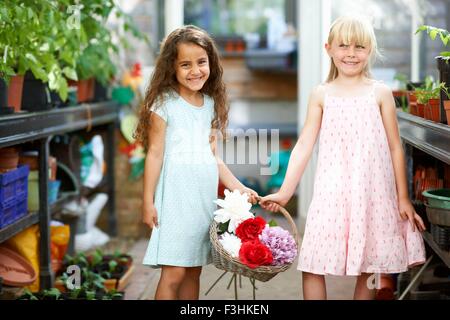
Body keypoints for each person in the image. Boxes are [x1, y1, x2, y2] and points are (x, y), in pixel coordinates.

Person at [260, 15, 426, 300]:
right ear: (329, 49)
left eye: (359, 47)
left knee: (369, 264)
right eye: (344, 46)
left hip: (373, 193)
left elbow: (395, 147)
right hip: (331, 193)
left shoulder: (381, 93)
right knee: (313, 261)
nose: (351, 53)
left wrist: (402, 198)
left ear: (370, 50)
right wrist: (286, 191)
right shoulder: (321, 94)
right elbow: (303, 146)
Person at [134, 25, 258, 300]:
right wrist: (147, 201)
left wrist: (239, 188)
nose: (195, 71)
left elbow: (213, 157)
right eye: (185, 65)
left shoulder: (211, 105)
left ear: (210, 63)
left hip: (201, 199)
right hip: (176, 199)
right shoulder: (164, 104)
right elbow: (154, 153)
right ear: (172, 68)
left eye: (201, 62)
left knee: (193, 271)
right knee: (175, 272)